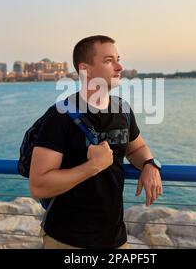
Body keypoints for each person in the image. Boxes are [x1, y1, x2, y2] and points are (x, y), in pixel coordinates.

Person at [29, 35, 163, 249]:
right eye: (109, 60)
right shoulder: (60, 116)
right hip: (66, 240)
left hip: (115, 239)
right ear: (85, 69)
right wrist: (93, 166)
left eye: (118, 59)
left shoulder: (122, 110)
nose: (119, 66)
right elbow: (38, 185)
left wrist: (149, 164)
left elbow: (136, 147)